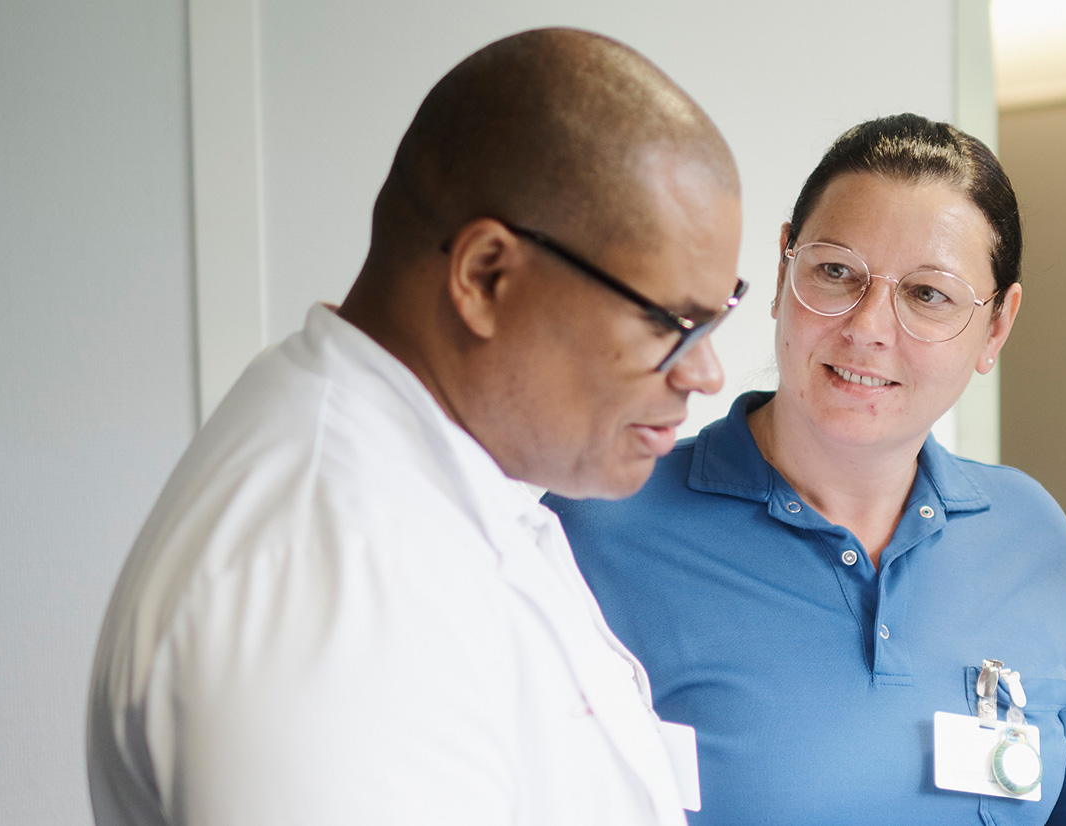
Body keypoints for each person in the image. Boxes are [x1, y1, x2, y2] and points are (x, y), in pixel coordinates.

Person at [84, 29, 747, 826]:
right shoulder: (333, 584)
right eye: (670, 322)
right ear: (486, 276)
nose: (706, 374)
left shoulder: (433, 492)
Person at [548, 114, 1066, 826]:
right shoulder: (596, 530)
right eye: (835, 272)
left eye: (928, 294)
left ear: (997, 326)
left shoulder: (1030, 536)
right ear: (783, 269)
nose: (868, 328)